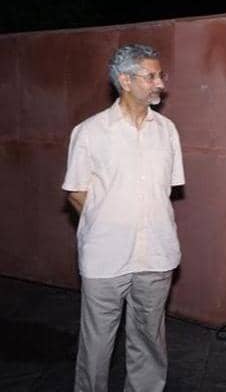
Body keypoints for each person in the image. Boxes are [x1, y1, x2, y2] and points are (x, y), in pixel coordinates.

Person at [62, 43, 185, 392]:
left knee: (149, 340)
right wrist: (109, 221)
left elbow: (164, 190)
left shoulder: (167, 131)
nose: (160, 83)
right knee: (97, 344)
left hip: (156, 254)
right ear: (125, 80)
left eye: (161, 75)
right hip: (105, 257)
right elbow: (76, 192)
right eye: (151, 76)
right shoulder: (89, 132)